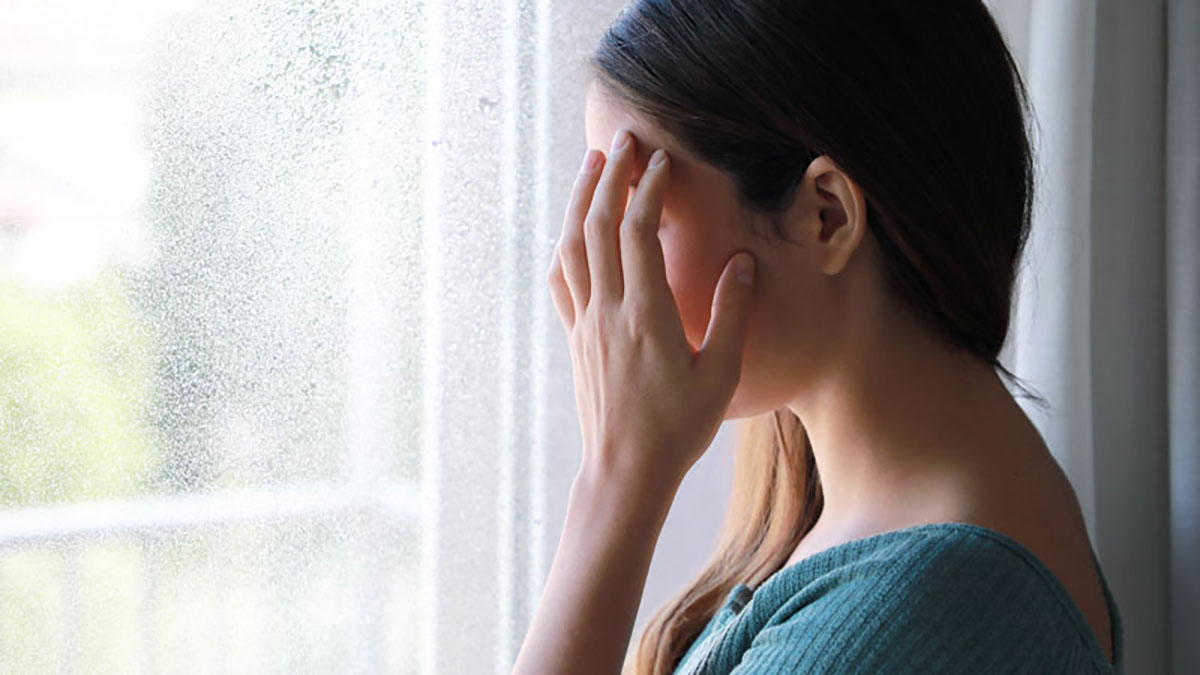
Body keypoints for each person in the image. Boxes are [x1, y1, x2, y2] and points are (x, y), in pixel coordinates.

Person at [514, 0, 1123, 673]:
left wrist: (616, 476)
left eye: (644, 221)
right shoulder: (905, 498)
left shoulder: (919, 610)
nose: (610, 286)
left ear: (827, 215)